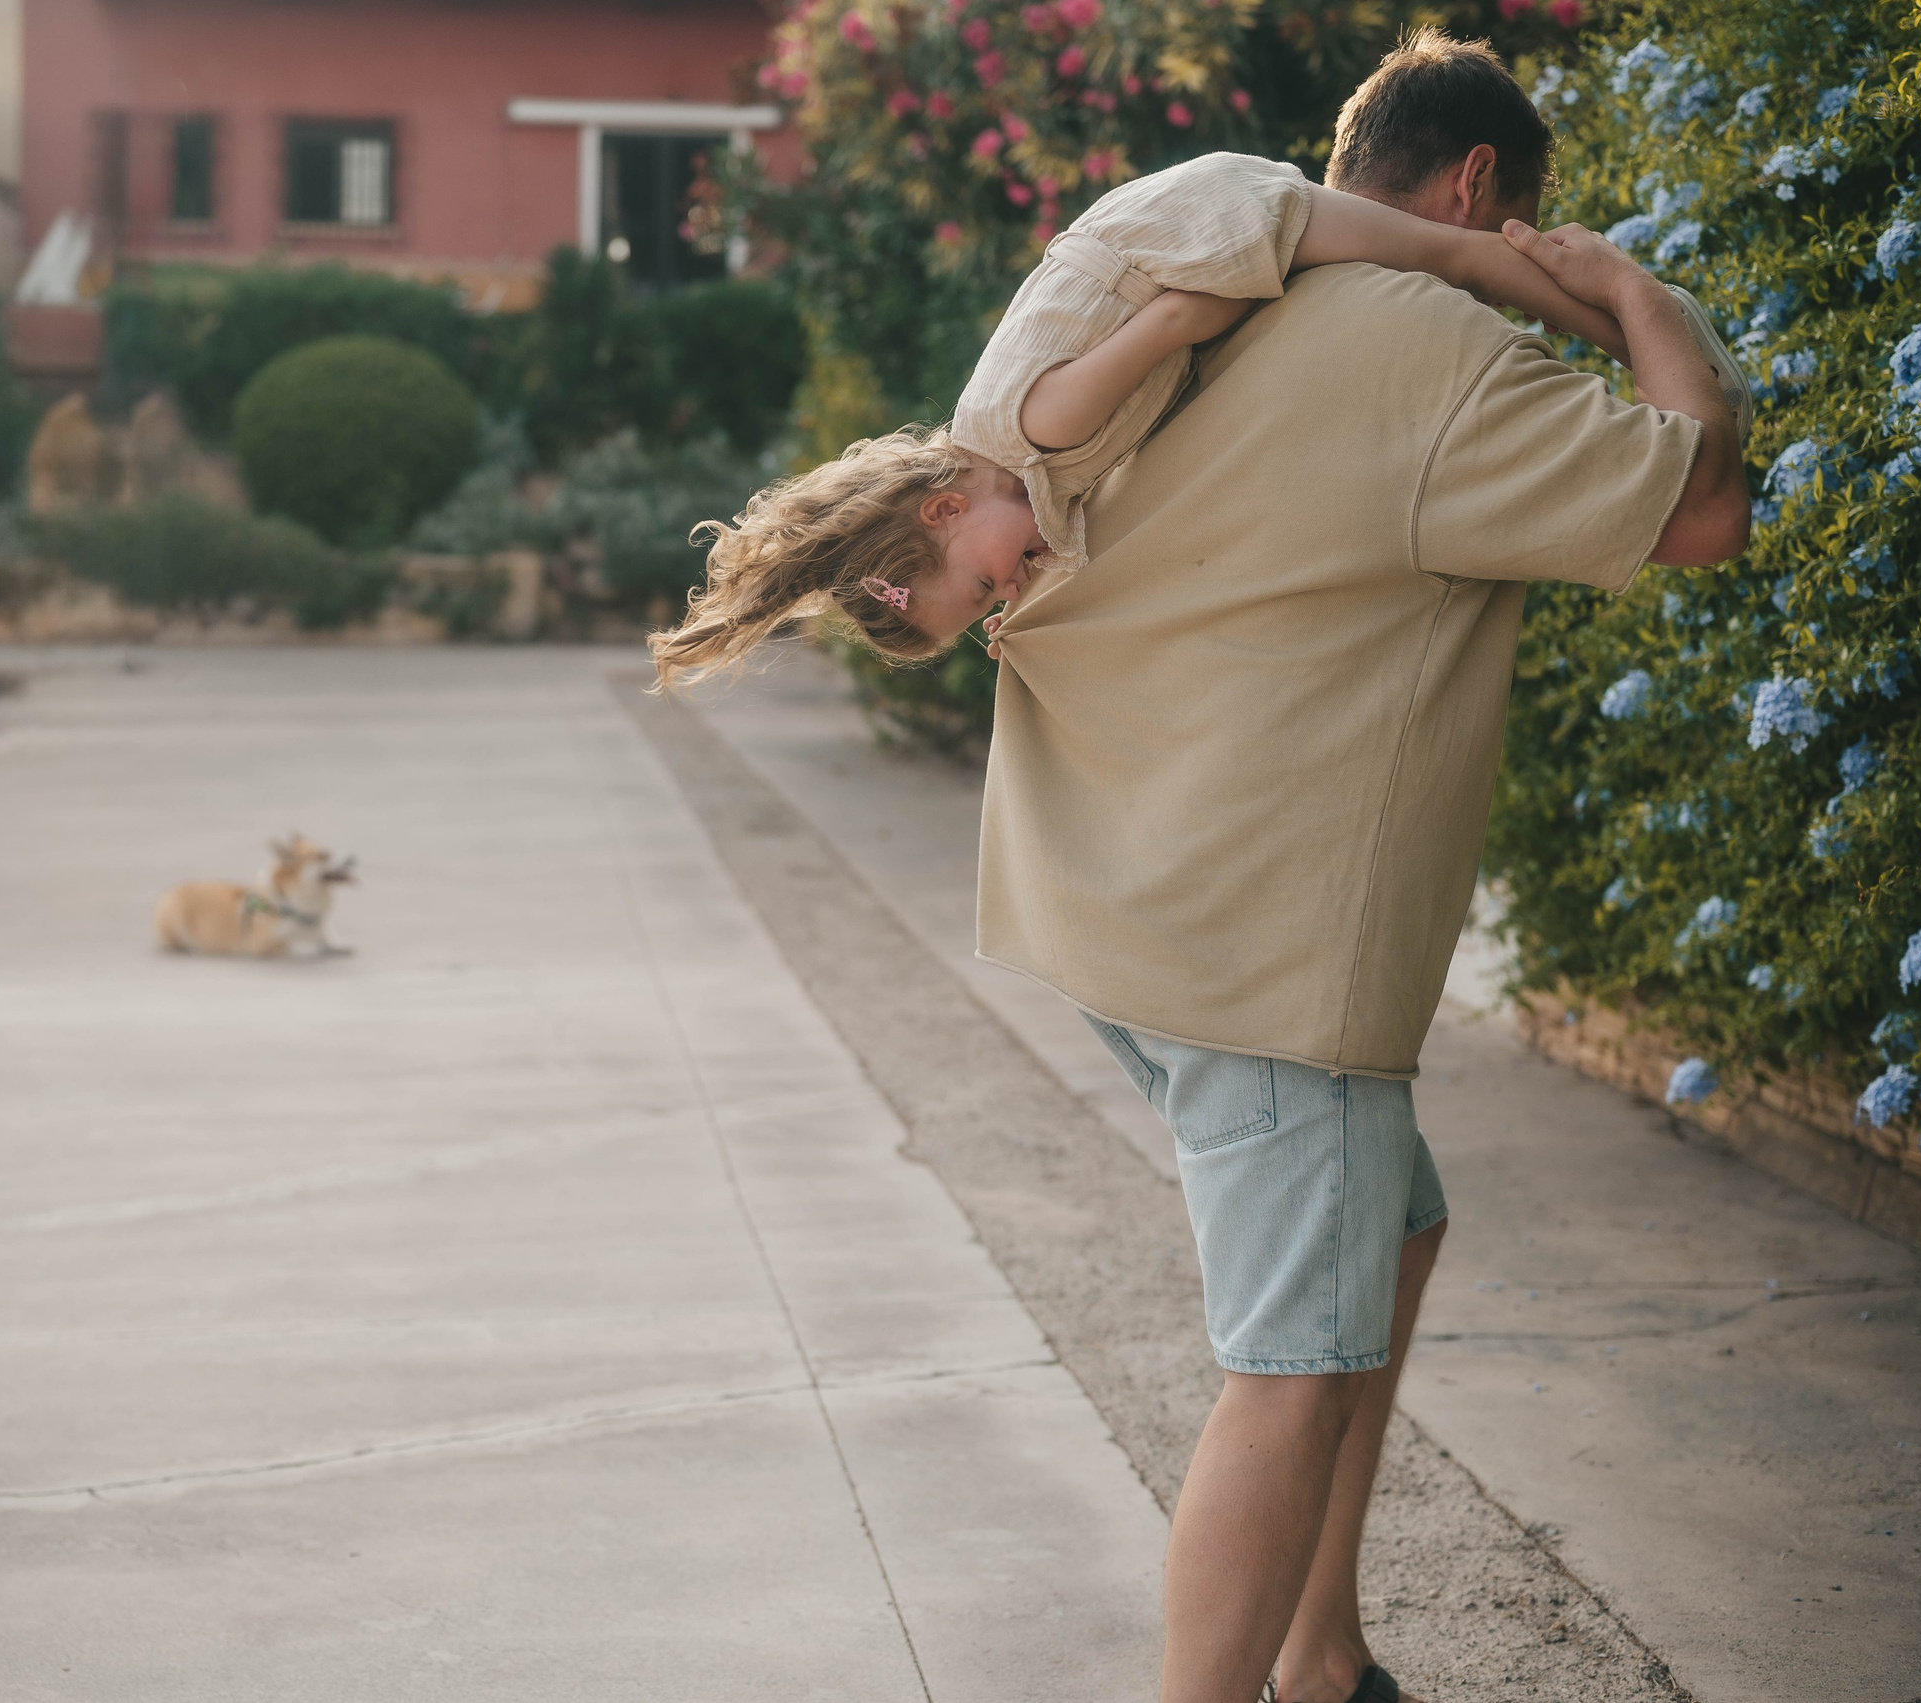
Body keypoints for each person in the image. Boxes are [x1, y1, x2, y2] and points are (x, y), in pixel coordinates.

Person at [973, 33, 1748, 1703]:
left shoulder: (1214, 268)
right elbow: (1701, 505)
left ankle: (1320, 1653)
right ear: (1478, 190)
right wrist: (1631, 296)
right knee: (1290, 1368)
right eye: (1529, 216)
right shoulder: (1431, 347)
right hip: (1273, 961)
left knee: (1389, 1234)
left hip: (1122, 894)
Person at [644, 41, 1742, 688]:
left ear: (936, 511)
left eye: (987, 583)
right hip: (1189, 229)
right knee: (1465, 260)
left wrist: (1185, 314)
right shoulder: (1019, 467)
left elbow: (1164, 331)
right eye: (993, 602)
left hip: (1206, 235)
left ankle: (1614, 300)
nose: (1007, 588)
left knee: (1468, 261)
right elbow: (1704, 518)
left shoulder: (1037, 436)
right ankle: (1624, 302)